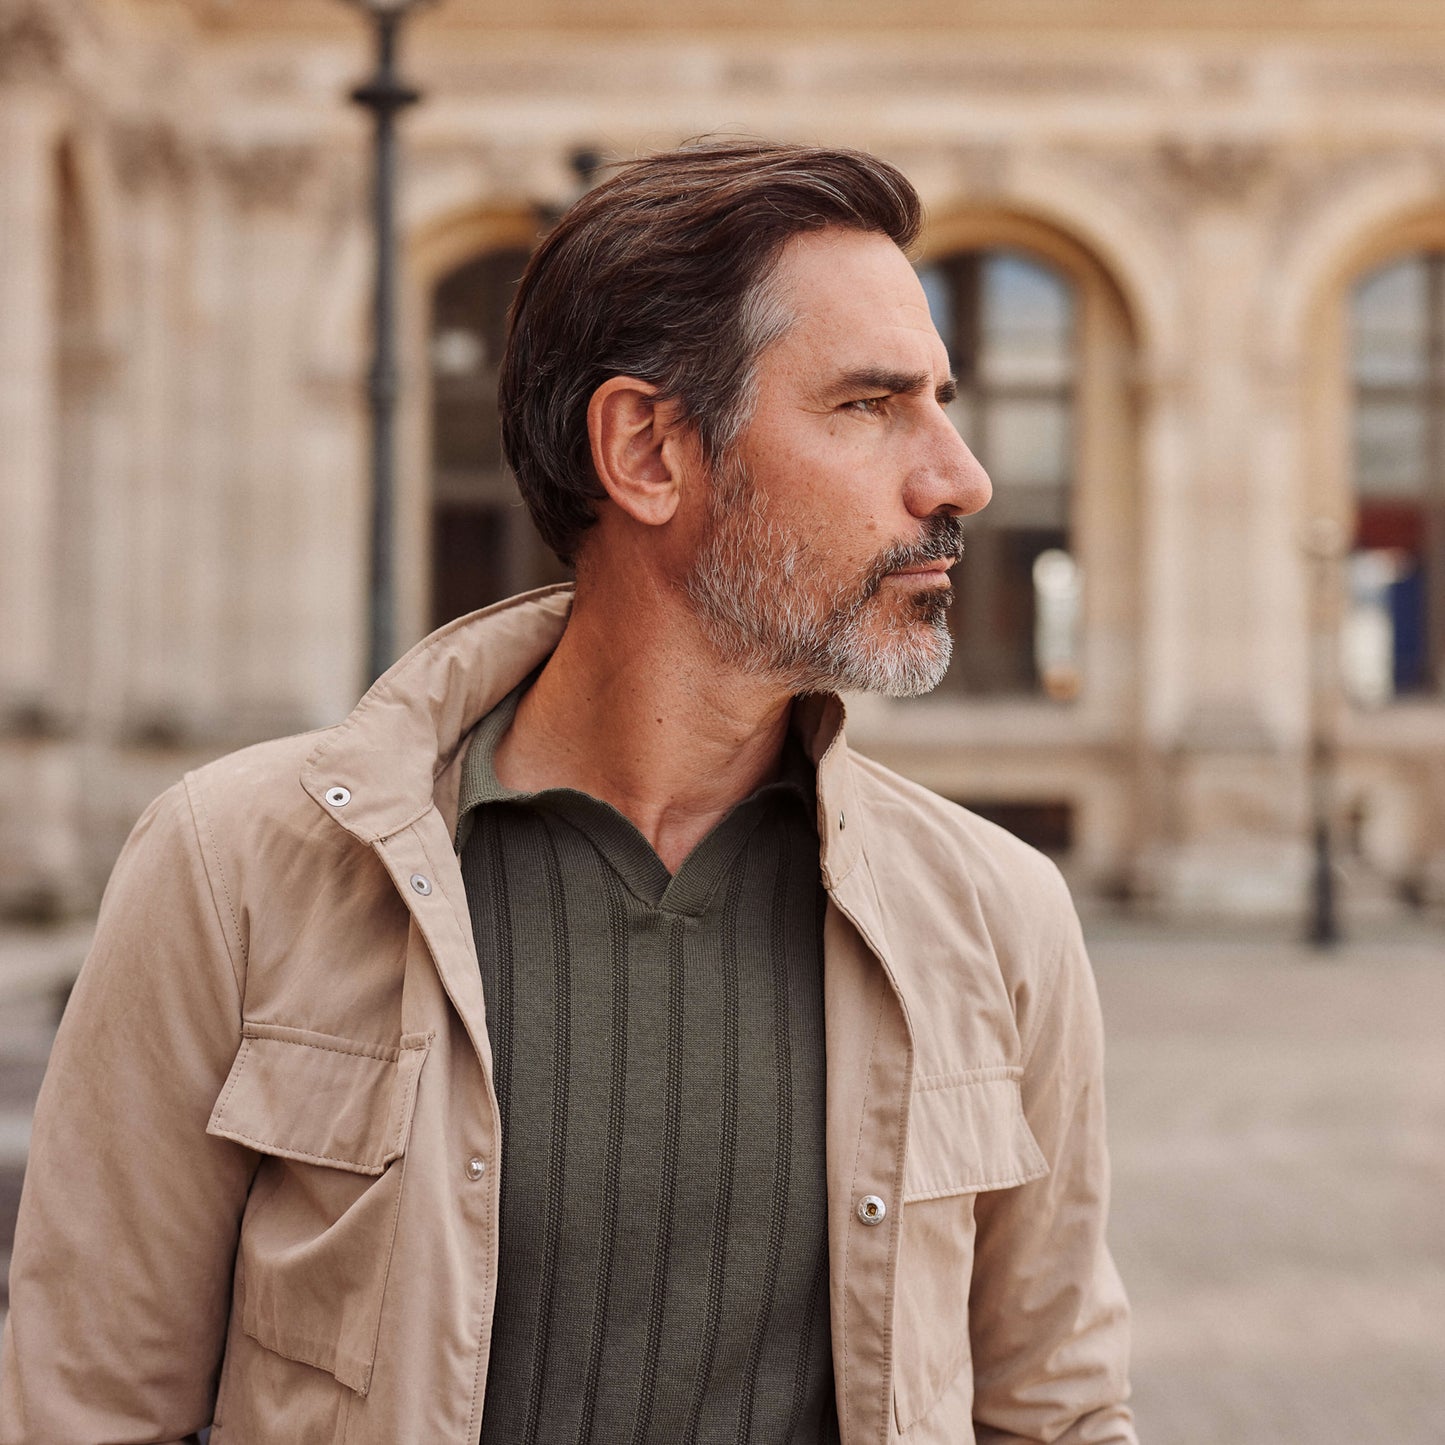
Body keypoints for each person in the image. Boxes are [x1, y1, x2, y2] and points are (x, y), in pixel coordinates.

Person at [0, 139, 1135, 1445]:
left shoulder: (997, 916)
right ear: (646, 449)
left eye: (942, 399)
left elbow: (1056, 1414)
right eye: (870, 405)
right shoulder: (232, 868)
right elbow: (88, 1410)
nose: (960, 477)